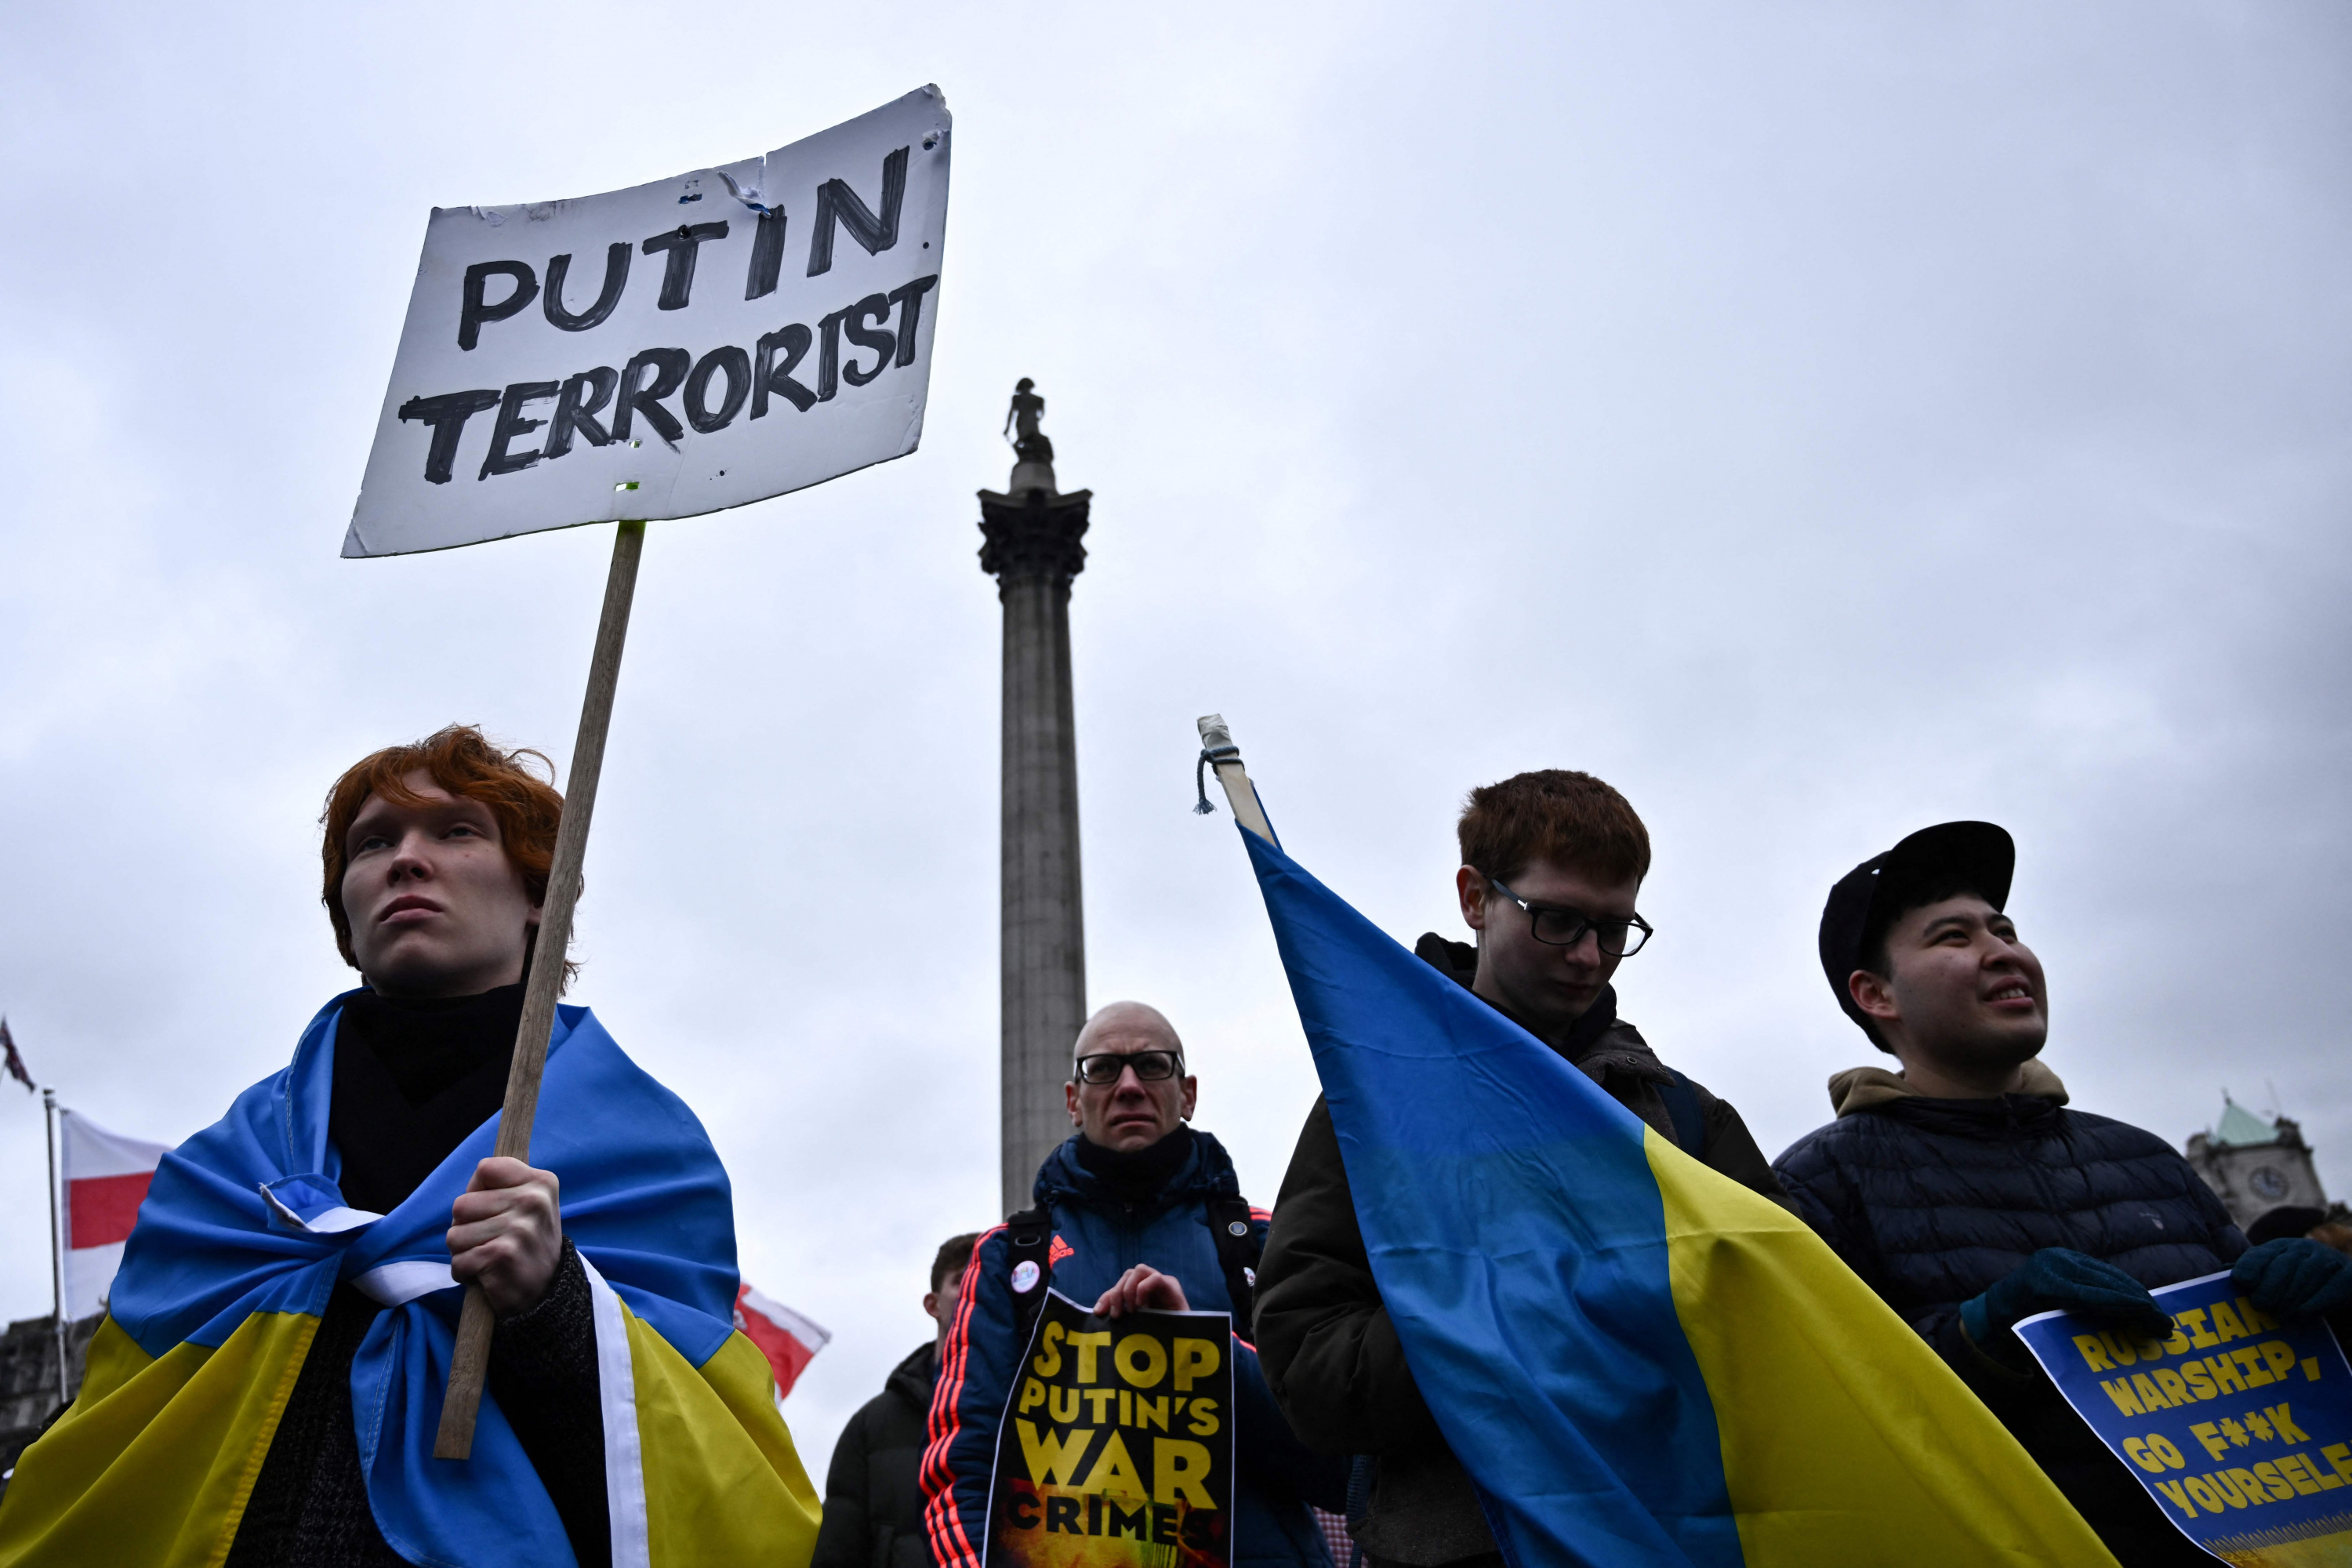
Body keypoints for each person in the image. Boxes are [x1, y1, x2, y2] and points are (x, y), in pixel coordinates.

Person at [0, 726, 820, 1568]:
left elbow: (693, 1473)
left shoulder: (648, 1153)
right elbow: (120, 1451)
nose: (406, 858)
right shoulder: (223, 1169)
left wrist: (558, 1302)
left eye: (457, 830)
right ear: (347, 920)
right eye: (374, 842)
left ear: (540, 892)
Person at [1773, 821, 2352, 1566]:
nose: (2001, 951)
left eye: (2005, 928)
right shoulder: (1819, 1184)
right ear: (1876, 994)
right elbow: (1823, 1424)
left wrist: (2333, 1324)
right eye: (1953, 937)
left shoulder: (2148, 1158)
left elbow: (2285, 1388)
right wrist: (1982, 1337)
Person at [1252, 768, 1786, 1568]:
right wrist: (1512, 1316)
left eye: (1615, 929)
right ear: (1476, 897)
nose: (1589, 955)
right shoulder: (1371, 1111)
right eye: (1558, 919)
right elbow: (1308, 1369)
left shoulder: (1686, 1119)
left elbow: (1781, 1340)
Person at [922, 1002, 1347, 1568]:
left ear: (1187, 1093)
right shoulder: (1005, 1259)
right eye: (1102, 1069)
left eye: (1151, 1065)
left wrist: (1209, 1356)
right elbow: (963, 1468)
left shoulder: (1266, 1246)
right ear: (1074, 1101)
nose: (1127, 1086)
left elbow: (1344, 1464)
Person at [813, 1232, 979, 1568]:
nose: (977, 1289)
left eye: (988, 1278)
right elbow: (837, 1552)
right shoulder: (872, 1426)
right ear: (933, 1305)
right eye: (962, 1280)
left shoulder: (1039, 1405)